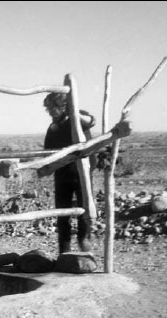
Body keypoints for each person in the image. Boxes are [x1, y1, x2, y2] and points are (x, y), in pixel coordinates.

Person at [43, 92, 96, 254]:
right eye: (48, 108)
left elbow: (91, 121)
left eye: (52, 108)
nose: (50, 111)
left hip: (83, 174)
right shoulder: (53, 128)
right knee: (62, 214)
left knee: (85, 211)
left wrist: (74, 114)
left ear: (63, 107)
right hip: (62, 174)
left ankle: (84, 244)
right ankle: (64, 251)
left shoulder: (79, 119)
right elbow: (48, 152)